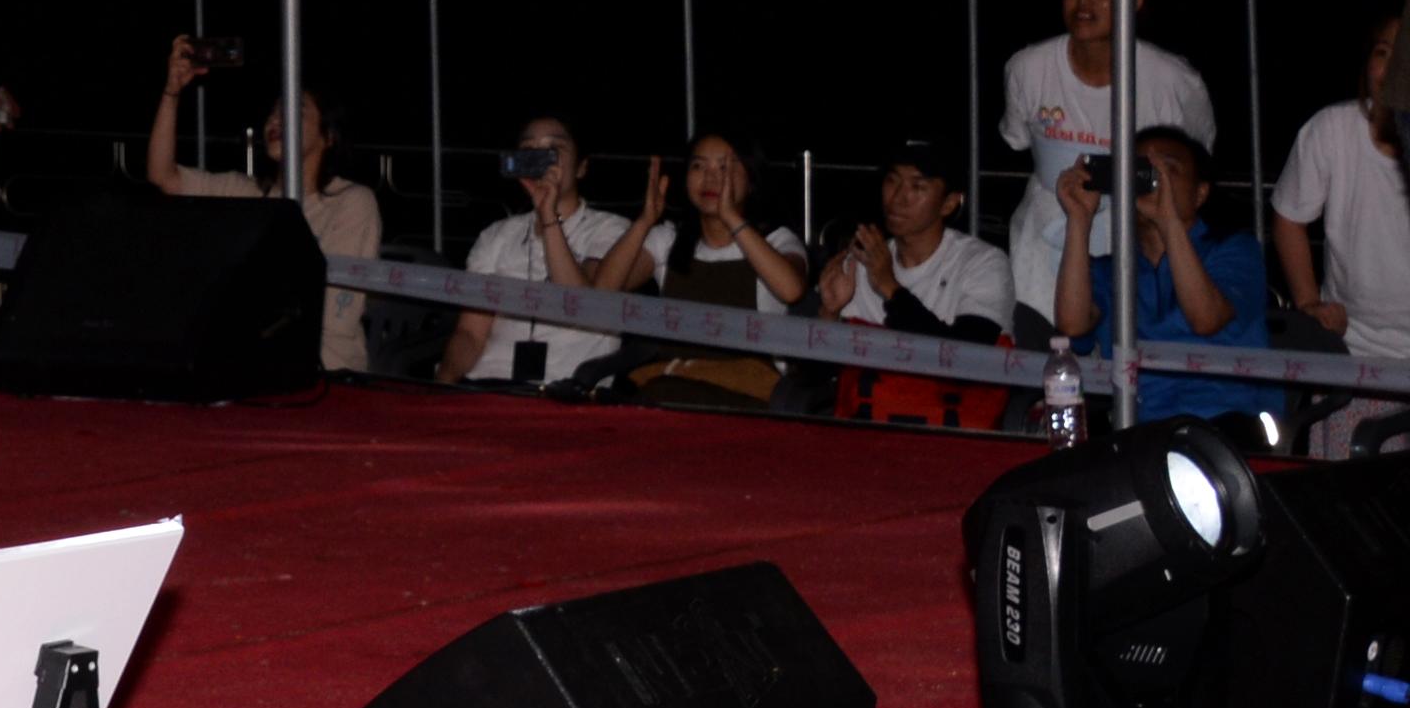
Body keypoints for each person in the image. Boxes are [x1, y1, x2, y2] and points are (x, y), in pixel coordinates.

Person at [1000, 0, 1215, 332]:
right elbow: (1016, 140)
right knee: (1044, 351)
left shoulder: (1174, 81)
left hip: (1142, 237)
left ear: (1134, 1)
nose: (1084, 2)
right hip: (1046, 238)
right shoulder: (1028, 67)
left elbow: (1194, 159)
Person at [146, 35, 383, 370]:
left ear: (328, 136)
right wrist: (172, 93)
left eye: (293, 112)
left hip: (326, 367)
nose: (276, 121)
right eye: (274, 112)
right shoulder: (246, 192)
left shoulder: (351, 203)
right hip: (250, 357)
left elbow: (335, 316)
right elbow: (163, 176)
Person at [1054, 124, 1286, 438]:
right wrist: (1079, 220)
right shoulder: (1114, 270)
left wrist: (1168, 221)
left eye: (1169, 169)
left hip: (1226, 426)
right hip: (1136, 428)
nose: (1153, 178)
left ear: (1200, 193)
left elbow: (1206, 318)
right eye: (1141, 169)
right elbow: (1072, 325)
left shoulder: (1235, 251)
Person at [1270, 16, 1410, 456]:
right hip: (1355, 352)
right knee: (1348, 498)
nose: (1391, 67)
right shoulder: (1331, 130)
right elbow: (1289, 215)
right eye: (1383, 52)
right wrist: (1309, 303)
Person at [591, 133, 807, 406]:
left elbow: (791, 290)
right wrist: (644, 221)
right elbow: (603, 290)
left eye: (724, 167)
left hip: (747, 397)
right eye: (699, 166)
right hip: (674, 389)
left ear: (751, 179)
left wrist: (731, 218)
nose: (710, 177)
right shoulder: (668, 240)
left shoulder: (776, 241)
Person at [435, 115, 631, 388]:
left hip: (567, 388)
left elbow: (579, 304)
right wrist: (443, 383)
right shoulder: (496, 235)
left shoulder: (612, 230)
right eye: (530, 152)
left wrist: (548, 216)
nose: (542, 161)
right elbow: (470, 332)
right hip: (491, 383)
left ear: (581, 167)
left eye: (554, 151)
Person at [817, 139, 1017, 341]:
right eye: (892, 181)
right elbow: (821, 369)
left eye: (917, 186)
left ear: (948, 204)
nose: (897, 198)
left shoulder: (983, 263)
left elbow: (966, 355)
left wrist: (890, 287)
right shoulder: (860, 262)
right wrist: (830, 313)